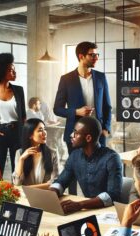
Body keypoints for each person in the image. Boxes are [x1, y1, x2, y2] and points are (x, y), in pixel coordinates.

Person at [53, 41, 111, 194]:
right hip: (75, 134)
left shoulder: (100, 77)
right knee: (72, 170)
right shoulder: (66, 79)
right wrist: (76, 112)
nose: (96, 58)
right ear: (81, 56)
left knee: (101, 170)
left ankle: (99, 201)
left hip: (98, 134)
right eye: (92, 55)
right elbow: (57, 108)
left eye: (97, 54)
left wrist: (106, 128)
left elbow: (107, 106)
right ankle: (72, 199)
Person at [50, 116, 122, 214]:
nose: (71, 135)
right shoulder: (75, 156)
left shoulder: (112, 158)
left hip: (109, 213)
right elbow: (61, 181)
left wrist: (80, 205)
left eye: (76, 133)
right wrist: (50, 195)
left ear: (88, 138)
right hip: (87, 212)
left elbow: (112, 195)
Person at [12, 118, 59, 188]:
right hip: (25, 196)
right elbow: (17, 183)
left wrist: (29, 189)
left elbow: (55, 182)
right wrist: (21, 159)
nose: (45, 132)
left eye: (44, 129)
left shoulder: (52, 153)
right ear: (30, 135)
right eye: (40, 130)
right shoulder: (20, 153)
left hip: (44, 194)